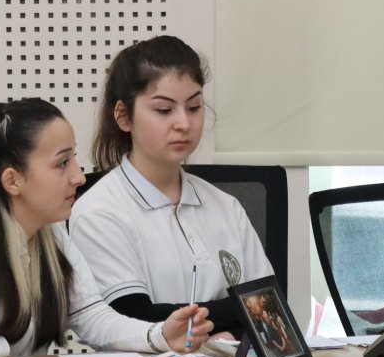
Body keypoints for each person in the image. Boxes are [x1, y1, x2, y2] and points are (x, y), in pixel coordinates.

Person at [0, 98, 211, 357]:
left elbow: (91, 316)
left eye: (74, 158)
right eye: (62, 163)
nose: (79, 177)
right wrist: (6, 347)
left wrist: (159, 335)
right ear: (12, 181)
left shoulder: (49, 232)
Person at [70, 36, 272, 339]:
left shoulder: (225, 205)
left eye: (194, 107)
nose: (184, 123)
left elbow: (270, 309)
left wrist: (229, 328)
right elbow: (131, 315)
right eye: (164, 110)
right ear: (123, 116)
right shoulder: (98, 211)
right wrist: (234, 316)